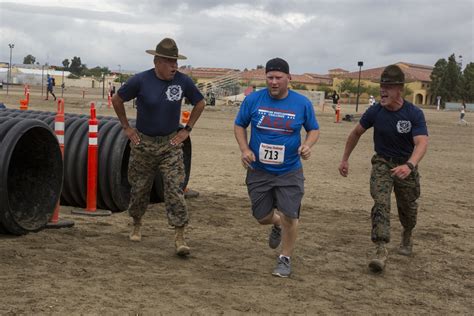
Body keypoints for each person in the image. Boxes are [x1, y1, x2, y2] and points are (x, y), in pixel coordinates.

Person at [112, 38, 205, 256]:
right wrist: (127, 128)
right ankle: (136, 222)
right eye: (169, 61)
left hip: (170, 145)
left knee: (175, 188)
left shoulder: (183, 82)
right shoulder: (140, 80)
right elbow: (117, 100)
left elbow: (200, 103)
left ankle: (180, 237)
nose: (174, 66)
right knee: (139, 188)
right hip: (143, 144)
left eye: (176, 61)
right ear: (157, 62)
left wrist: (187, 129)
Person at [338, 65, 429, 273]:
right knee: (380, 202)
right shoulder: (375, 111)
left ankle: (407, 233)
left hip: (406, 164)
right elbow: (355, 133)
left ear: (400, 89)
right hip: (382, 163)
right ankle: (380, 249)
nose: (382, 90)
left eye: (388, 86)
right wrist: (344, 159)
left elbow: (421, 143)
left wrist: (409, 165)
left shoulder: (413, 113)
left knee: (408, 207)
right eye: (381, 86)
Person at [234, 58, 320, 278]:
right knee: (261, 216)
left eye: (278, 78)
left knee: (291, 215)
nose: (273, 82)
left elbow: (313, 129)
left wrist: (307, 145)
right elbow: (239, 125)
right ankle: (276, 224)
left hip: (289, 170)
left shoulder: (301, 103)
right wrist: (244, 149)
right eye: (270, 77)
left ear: (288, 79)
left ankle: (285, 258)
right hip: (258, 170)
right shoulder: (253, 100)